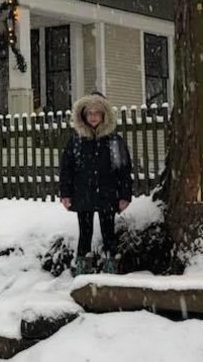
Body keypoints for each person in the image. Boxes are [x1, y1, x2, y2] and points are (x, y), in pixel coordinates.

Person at [59, 91, 133, 275]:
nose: (93, 117)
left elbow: (124, 170)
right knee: (85, 233)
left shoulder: (114, 142)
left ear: (104, 115)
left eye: (97, 113)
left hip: (108, 195)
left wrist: (124, 195)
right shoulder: (76, 142)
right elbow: (66, 169)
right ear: (83, 115)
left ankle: (111, 267)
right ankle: (83, 268)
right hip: (83, 194)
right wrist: (65, 194)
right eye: (89, 113)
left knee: (109, 233)